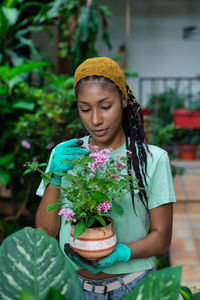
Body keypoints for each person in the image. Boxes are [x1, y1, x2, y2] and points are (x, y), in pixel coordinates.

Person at [36, 57, 176, 300]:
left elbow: (162, 238)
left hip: (132, 286)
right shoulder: (65, 154)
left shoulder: (152, 159)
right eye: (85, 109)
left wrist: (121, 253)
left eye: (105, 106)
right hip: (72, 286)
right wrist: (55, 176)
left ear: (123, 100)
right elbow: (45, 231)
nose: (95, 120)